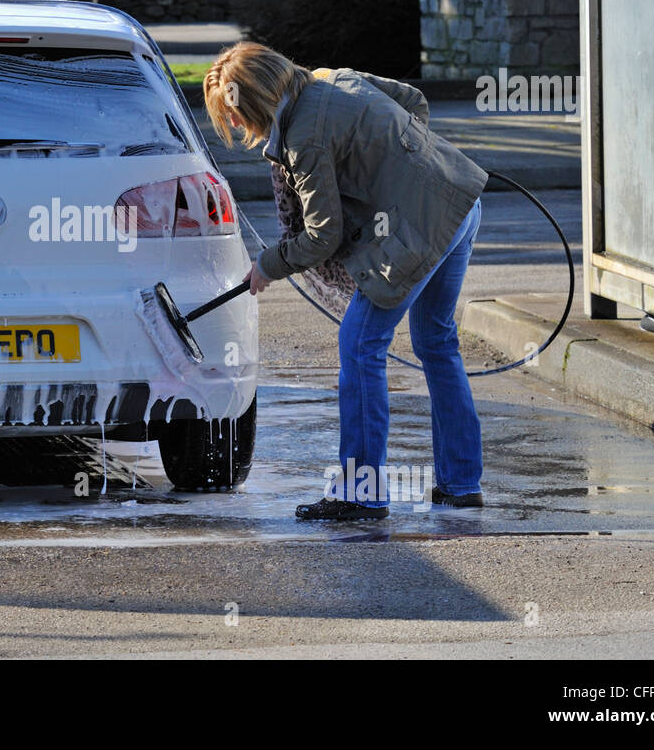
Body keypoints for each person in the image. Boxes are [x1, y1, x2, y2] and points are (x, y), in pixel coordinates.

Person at [203, 42, 489, 521]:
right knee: (437, 342)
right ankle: (461, 484)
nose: (235, 127)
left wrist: (267, 266)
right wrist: (399, 173)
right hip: (459, 203)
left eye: (232, 115)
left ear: (250, 104)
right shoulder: (333, 76)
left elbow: (322, 234)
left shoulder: (303, 140)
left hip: (420, 231)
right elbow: (414, 102)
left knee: (359, 345)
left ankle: (361, 494)